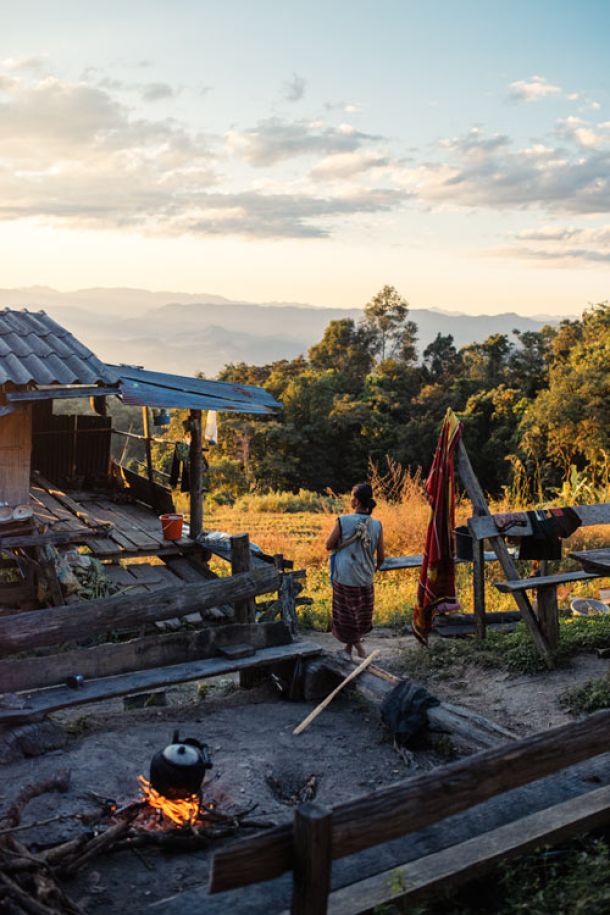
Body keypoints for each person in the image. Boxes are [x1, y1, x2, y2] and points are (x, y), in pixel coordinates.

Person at [326, 482, 385, 658]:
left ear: (357, 501)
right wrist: (373, 569)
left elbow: (329, 545)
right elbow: (381, 557)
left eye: (352, 496)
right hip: (365, 576)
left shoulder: (343, 521)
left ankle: (359, 649)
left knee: (345, 615)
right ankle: (348, 649)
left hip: (345, 575)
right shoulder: (377, 525)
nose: (350, 500)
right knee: (360, 613)